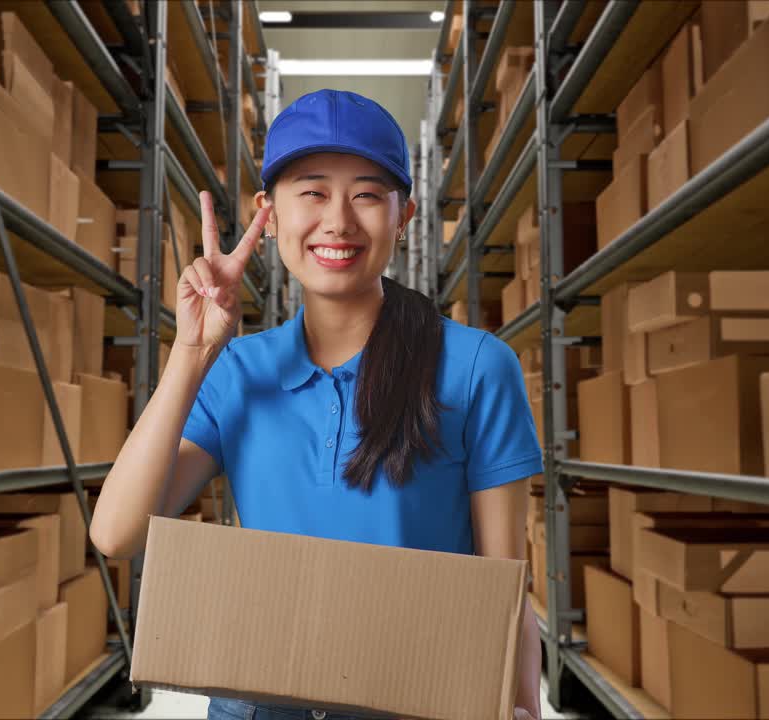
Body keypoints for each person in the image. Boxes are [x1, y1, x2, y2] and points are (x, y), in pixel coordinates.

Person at [90, 89, 543, 720]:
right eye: (311, 191)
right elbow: (116, 533)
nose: (338, 221)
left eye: (365, 194)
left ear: (404, 214)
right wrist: (191, 353)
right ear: (267, 214)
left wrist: (524, 706)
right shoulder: (239, 372)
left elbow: (507, 590)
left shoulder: (475, 367)